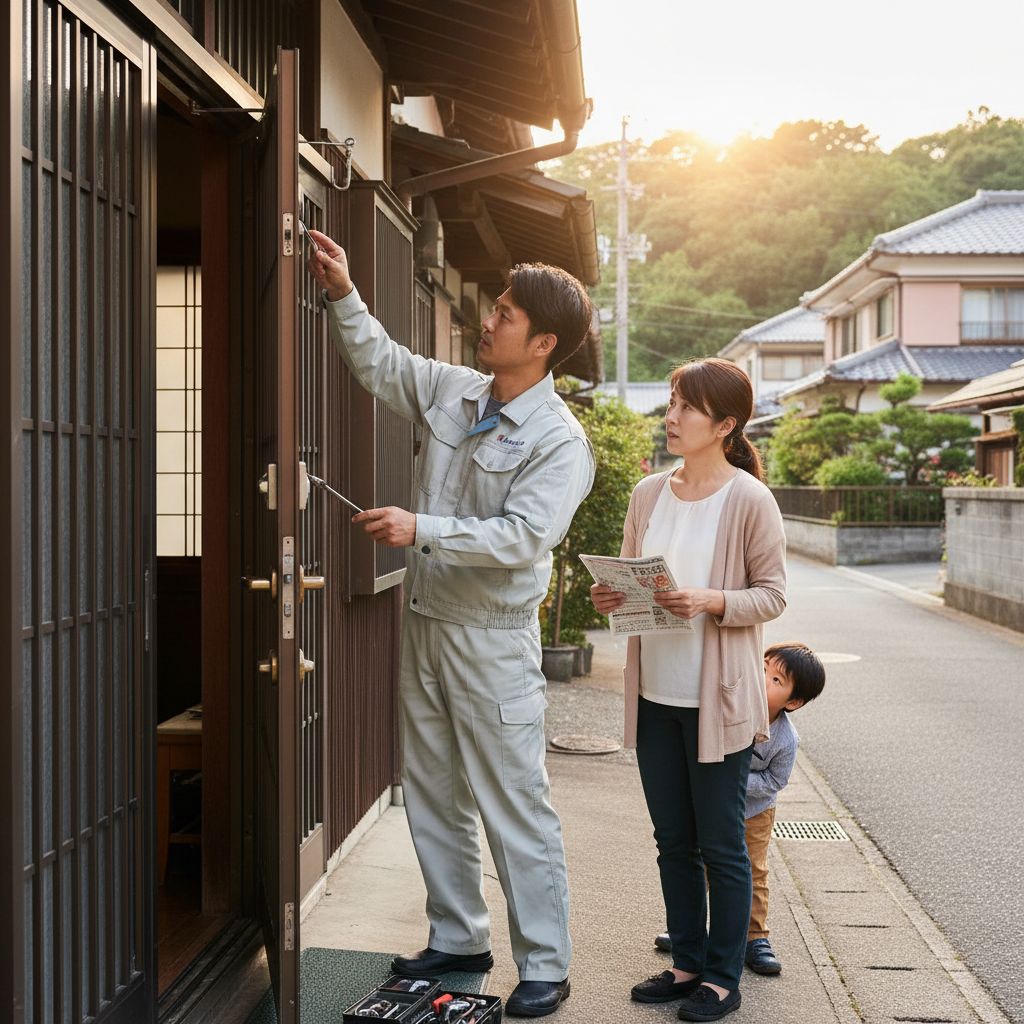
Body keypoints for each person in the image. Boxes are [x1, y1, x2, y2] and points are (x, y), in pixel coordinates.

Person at [307, 230, 595, 1018]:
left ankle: (546, 963)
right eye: (495, 307)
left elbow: (523, 539)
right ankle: (459, 935)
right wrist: (343, 292)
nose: (489, 321)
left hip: (494, 639)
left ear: (542, 344)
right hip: (428, 621)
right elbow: (383, 363)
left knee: (513, 804)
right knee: (432, 793)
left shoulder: (560, 442)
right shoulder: (457, 390)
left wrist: (420, 528)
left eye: (505, 314)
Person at [590, 357, 786, 1023]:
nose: (672, 416)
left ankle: (723, 976)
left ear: (726, 424)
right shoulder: (648, 493)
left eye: (688, 407)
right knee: (673, 839)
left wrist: (710, 600)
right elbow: (623, 590)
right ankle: (686, 962)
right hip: (655, 698)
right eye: (672, 402)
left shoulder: (750, 499)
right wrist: (608, 596)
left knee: (722, 844)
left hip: (718, 703)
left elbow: (773, 595)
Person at [654, 641, 827, 975]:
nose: (763, 679)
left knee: (753, 871)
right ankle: (690, 932)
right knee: (700, 863)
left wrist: (730, 782)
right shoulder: (728, 709)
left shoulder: (785, 739)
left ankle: (755, 937)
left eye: (776, 680)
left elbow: (775, 781)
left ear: (793, 702)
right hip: (712, 804)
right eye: (762, 669)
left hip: (755, 814)